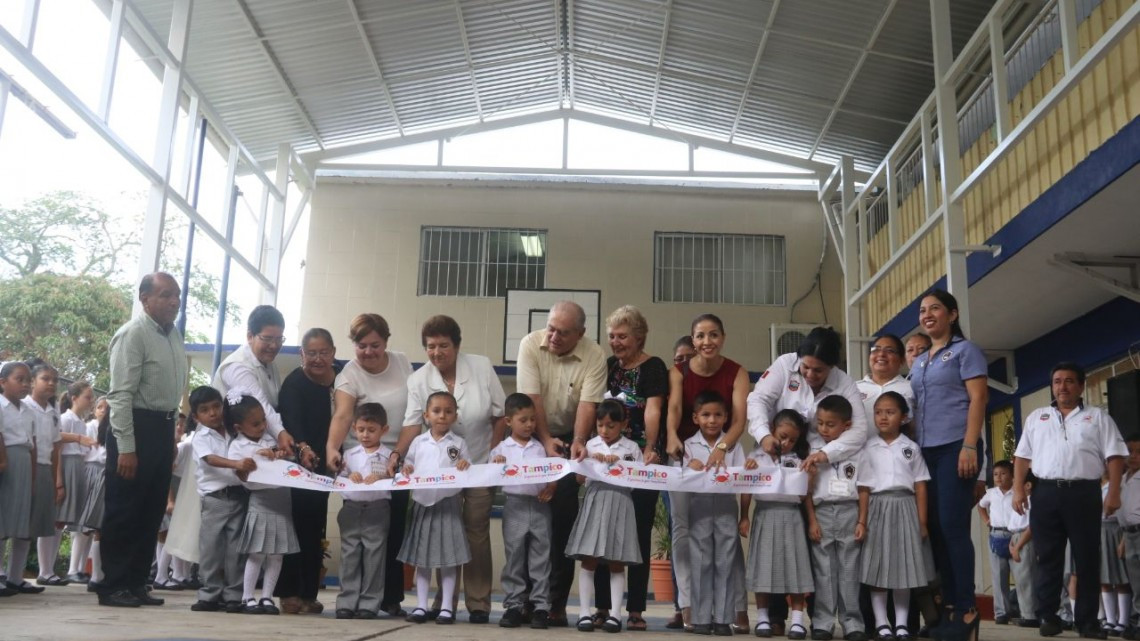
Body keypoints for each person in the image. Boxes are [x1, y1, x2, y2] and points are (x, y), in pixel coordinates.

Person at [395, 315, 505, 624]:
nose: (437, 352)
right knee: (445, 531)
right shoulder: (418, 380)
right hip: (438, 474)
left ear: (457, 345)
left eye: (444, 345)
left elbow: (500, 416)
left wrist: (496, 451)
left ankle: (479, 602)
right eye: (430, 346)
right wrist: (397, 455)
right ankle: (445, 603)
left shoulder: (481, 366)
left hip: (479, 463)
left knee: (475, 530)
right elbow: (411, 424)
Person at [1013, 361, 1125, 639]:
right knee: (1047, 557)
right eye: (1057, 381)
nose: (1062, 387)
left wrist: (1113, 492)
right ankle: (1048, 617)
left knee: (1087, 557)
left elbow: (1115, 456)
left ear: (1081, 386)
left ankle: (1087, 623)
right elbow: (1022, 457)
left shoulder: (1098, 418)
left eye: (1069, 381)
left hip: (1084, 493)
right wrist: (1017, 489)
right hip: (1046, 493)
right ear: (1052, 386)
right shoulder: (1037, 417)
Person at [99, 272, 188, 607]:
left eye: (176, 295)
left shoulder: (173, 334)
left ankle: (136, 582)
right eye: (165, 295)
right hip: (134, 426)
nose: (173, 301)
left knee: (150, 511)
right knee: (125, 510)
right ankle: (113, 586)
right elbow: (119, 396)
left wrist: (172, 437)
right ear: (145, 298)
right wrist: (126, 447)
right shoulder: (133, 334)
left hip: (162, 428)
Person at [516, 301, 607, 626]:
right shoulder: (530, 344)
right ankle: (525, 601)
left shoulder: (594, 354)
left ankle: (554, 604)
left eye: (563, 333)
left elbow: (587, 404)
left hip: (570, 438)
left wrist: (578, 441)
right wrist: (543, 441)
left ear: (580, 334)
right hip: (531, 435)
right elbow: (532, 399)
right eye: (551, 328)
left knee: (562, 524)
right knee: (528, 525)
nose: (553, 336)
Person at [909, 289, 987, 641]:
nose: (927, 315)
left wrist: (970, 444)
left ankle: (968, 609)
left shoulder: (965, 351)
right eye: (923, 310)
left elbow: (978, 398)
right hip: (926, 452)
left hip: (957, 446)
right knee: (935, 529)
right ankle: (949, 610)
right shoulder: (920, 360)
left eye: (935, 308)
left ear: (952, 315)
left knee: (954, 528)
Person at [325, 313, 413, 618]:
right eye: (361, 346)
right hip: (360, 464)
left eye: (375, 345)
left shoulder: (402, 362)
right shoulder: (348, 374)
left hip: (397, 458)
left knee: (393, 535)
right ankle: (350, 599)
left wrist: (397, 454)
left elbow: (413, 414)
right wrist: (332, 448)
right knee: (354, 546)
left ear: (386, 342)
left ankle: (387, 598)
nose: (368, 352)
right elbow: (342, 415)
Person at [666, 314, 750, 631]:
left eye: (713, 335)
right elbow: (673, 409)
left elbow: (739, 420)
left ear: (723, 337)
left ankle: (737, 605)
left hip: (722, 454)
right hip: (686, 455)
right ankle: (689, 604)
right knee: (683, 531)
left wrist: (722, 448)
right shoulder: (678, 373)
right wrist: (672, 436)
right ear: (692, 339)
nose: (706, 342)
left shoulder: (737, 372)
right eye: (700, 336)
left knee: (726, 537)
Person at [593, 305, 668, 631]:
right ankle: (601, 608)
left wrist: (650, 447)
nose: (615, 342)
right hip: (607, 464)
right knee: (602, 534)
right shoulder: (608, 366)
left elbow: (653, 410)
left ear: (639, 337)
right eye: (611, 336)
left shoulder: (653, 366)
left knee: (637, 535)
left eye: (622, 336)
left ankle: (636, 609)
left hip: (641, 461)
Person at [276, 328, 341, 615]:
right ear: (301, 354)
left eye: (323, 352)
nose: (317, 359)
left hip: (328, 467)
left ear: (333, 353)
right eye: (311, 353)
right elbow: (291, 421)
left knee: (316, 528)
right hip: (300, 464)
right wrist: (304, 449)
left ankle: (309, 593)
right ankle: (290, 592)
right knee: (296, 526)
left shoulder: (342, 381)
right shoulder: (294, 383)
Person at [857, 391, 930, 641]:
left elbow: (920, 486)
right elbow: (863, 487)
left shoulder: (911, 448)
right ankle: (881, 622)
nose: (883, 417)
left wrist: (921, 522)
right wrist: (862, 520)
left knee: (903, 567)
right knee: (877, 566)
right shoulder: (867, 446)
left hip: (905, 506)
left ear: (903, 417)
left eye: (890, 412)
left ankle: (901, 624)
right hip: (877, 506)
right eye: (878, 412)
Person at [566, 399, 643, 633]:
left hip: (621, 503)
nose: (604, 431)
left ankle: (616, 615)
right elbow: (579, 479)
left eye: (610, 425)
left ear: (623, 424)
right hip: (595, 500)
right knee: (589, 559)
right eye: (600, 425)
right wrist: (590, 461)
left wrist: (620, 466)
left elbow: (639, 480)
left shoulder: (631, 449)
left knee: (616, 562)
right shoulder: (590, 445)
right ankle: (584, 613)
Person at [398, 391, 471, 625]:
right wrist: (407, 468)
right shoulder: (418, 442)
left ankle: (446, 608)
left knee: (448, 559)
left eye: (448, 411)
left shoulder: (458, 443)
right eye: (437, 411)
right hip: (422, 505)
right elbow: (408, 463)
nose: (442, 416)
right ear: (427, 415)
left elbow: (467, 468)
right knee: (423, 560)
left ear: (455, 416)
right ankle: (420, 605)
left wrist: (463, 464)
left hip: (448, 505)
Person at [742, 409, 813, 640]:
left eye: (793, 439)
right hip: (765, 513)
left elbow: (803, 496)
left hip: (791, 515)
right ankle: (762, 617)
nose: (786, 442)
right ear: (772, 429)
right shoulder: (756, 457)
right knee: (764, 565)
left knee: (795, 566)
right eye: (782, 436)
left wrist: (809, 477)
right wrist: (744, 515)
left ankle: (797, 621)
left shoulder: (798, 460)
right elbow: (747, 489)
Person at [227, 394, 298, 615]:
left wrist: (280, 455)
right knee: (257, 553)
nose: (262, 427)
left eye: (263, 421)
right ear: (239, 427)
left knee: (277, 554)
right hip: (260, 501)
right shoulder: (237, 447)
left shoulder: (271, 439)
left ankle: (267, 596)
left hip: (282, 500)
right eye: (256, 424)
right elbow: (241, 474)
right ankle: (248, 597)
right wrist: (259, 457)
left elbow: (288, 463)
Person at [491, 393, 556, 630]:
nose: (529, 424)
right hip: (514, 504)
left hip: (540, 507)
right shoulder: (500, 449)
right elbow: (491, 472)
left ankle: (540, 607)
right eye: (523, 420)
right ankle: (514, 606)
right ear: (508, 421)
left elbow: (554, 472)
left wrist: (551, 486)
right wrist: (495, 463)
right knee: (514, 557)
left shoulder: (541, 448)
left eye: (532, 419)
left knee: (541, 558)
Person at [804, 395, 866, 641]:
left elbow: (864, 488)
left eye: (830, 424)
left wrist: (862, 520)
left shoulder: (856, 449)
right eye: (820, 423)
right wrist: (812, 520)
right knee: (824, 569)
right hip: (822, 512)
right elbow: (806, 490)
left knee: (850, 569)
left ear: (847, 425)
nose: (823, 429)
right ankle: (823, 621)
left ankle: (853, 622)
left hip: (849, 509)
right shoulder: (812, 449)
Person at [684, 390, 745, 636]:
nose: (712, 420)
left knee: (726, 561)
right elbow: (681, 479)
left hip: (726, 507)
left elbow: (742, 477)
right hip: (698, 507)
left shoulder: (733, 446)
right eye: (706, 415)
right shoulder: (689, 445)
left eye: (718, 415)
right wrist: (691, 467)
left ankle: (723, 618)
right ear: (696, 417)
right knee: (701, 561)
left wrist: (747, 467)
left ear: (726, 418)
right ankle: (699, 618)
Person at [188, 385, 250, 613]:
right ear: (196, 416)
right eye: (205, 410)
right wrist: (236, 464)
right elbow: (210, 460)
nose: (213, 413)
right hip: (215, 499)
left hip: (239, 495)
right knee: (211, 548)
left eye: (216, 406)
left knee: (236, 549)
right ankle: (209, 594)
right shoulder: (201, 437)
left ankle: (234, 595)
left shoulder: (236, 430)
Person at [212, 305, 298, 458]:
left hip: (255, 447)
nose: (274, 345)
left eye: (279, 339)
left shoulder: (269, 363)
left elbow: (274, 407)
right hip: (225, 450)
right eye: (267, 338)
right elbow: (262, 405)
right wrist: (281, 433)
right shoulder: (237, 366)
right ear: (250, 336)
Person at [334, 403, 393, 620]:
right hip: (351, 509)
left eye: (371, 430)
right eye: (361, 430)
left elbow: (397, 480)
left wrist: (383, 478)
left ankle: (369, 603)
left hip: (377, 510)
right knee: (349, 555)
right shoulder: (349, 454)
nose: (365, 435)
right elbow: (338, 478)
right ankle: (346, 602)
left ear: (383, 430)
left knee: (374, 557)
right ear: (353, 428)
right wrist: (349, 476)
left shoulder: (388, 456)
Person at [0, 361, 39, 595]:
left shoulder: (28, 410)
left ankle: (15, 577)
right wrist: (4, 462)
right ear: (3, 382)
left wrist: (33, 477)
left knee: (22, 521)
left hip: (24, 460)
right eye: (19, 379)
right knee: (2, 520)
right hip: (7, 462)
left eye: (27, 380)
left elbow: (32, 445)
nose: (25, 384)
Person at [26, 362, 63, 589]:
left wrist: (56, 478)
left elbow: (56, 446)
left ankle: (41, 572)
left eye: (54, 380)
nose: (51, 383)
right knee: (15, 522)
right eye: (45, 379)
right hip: (26, 467)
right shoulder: (24, 406)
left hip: (45, 468)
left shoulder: (53, 410)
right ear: (32, 381)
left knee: (42, 522)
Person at [59, 381, 97, 584]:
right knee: (62, 519)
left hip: (79, 466)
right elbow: (56, 440)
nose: (90, 401)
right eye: (87, 397)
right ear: (74, 398)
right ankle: (68, 568)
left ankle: (79, 569)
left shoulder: (81, 421)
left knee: (79, 520)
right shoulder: (66, 418)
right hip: (67, 465)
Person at [977, 460, 1015, 625]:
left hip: (1015, 535)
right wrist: (987, 520)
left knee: (1022, 577)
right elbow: (980, 506)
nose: (999, 477)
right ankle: (1001, 612)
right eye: (996, 474)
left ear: (1012, 475)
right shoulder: (991, 493)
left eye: (1003, 473)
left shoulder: (1017, 491)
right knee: (999, 577)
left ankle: (1025, 610)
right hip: (997, 535)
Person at [79, 405, 110, 594]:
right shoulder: (108, 426)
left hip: (108, 475)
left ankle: (100, 576)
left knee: (101, 529)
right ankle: (97, 576)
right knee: (100, 528)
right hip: (110, 476)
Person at [855, 335, 914, 425]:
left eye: (889, 351)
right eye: (876, 350)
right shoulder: (854, 388)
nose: (881, 354)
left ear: (902, 360)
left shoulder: (912, 388)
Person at [1100, 471, 1131, 637]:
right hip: (1098, 530)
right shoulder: (1093, 485)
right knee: (1104, 578)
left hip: (1115, 529)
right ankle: (1110, 619)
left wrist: (1123, 540)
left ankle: (1123, 620)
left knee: (1120, 577)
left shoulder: (1119, 484)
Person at [1115, 440, 1140, 639]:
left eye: (1139, 452)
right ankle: (1135, 620)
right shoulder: (1122, 479)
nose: (1133, 456)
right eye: (1129, 451)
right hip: (1128, 534)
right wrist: (1123, 540)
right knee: (1135, 581)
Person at [1007, 472, 1037, 628]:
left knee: (1027, 577)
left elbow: (1031, 527)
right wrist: (1012, 544)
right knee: (1020, 579)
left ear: (1028, 485)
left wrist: (1018, 546)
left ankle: (1030, 614)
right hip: (1015, 538)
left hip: (1025, 540)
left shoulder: (1031, 502)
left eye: (1016, 483)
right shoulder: (1018, 501)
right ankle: (1025, 611)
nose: (1014, 487)